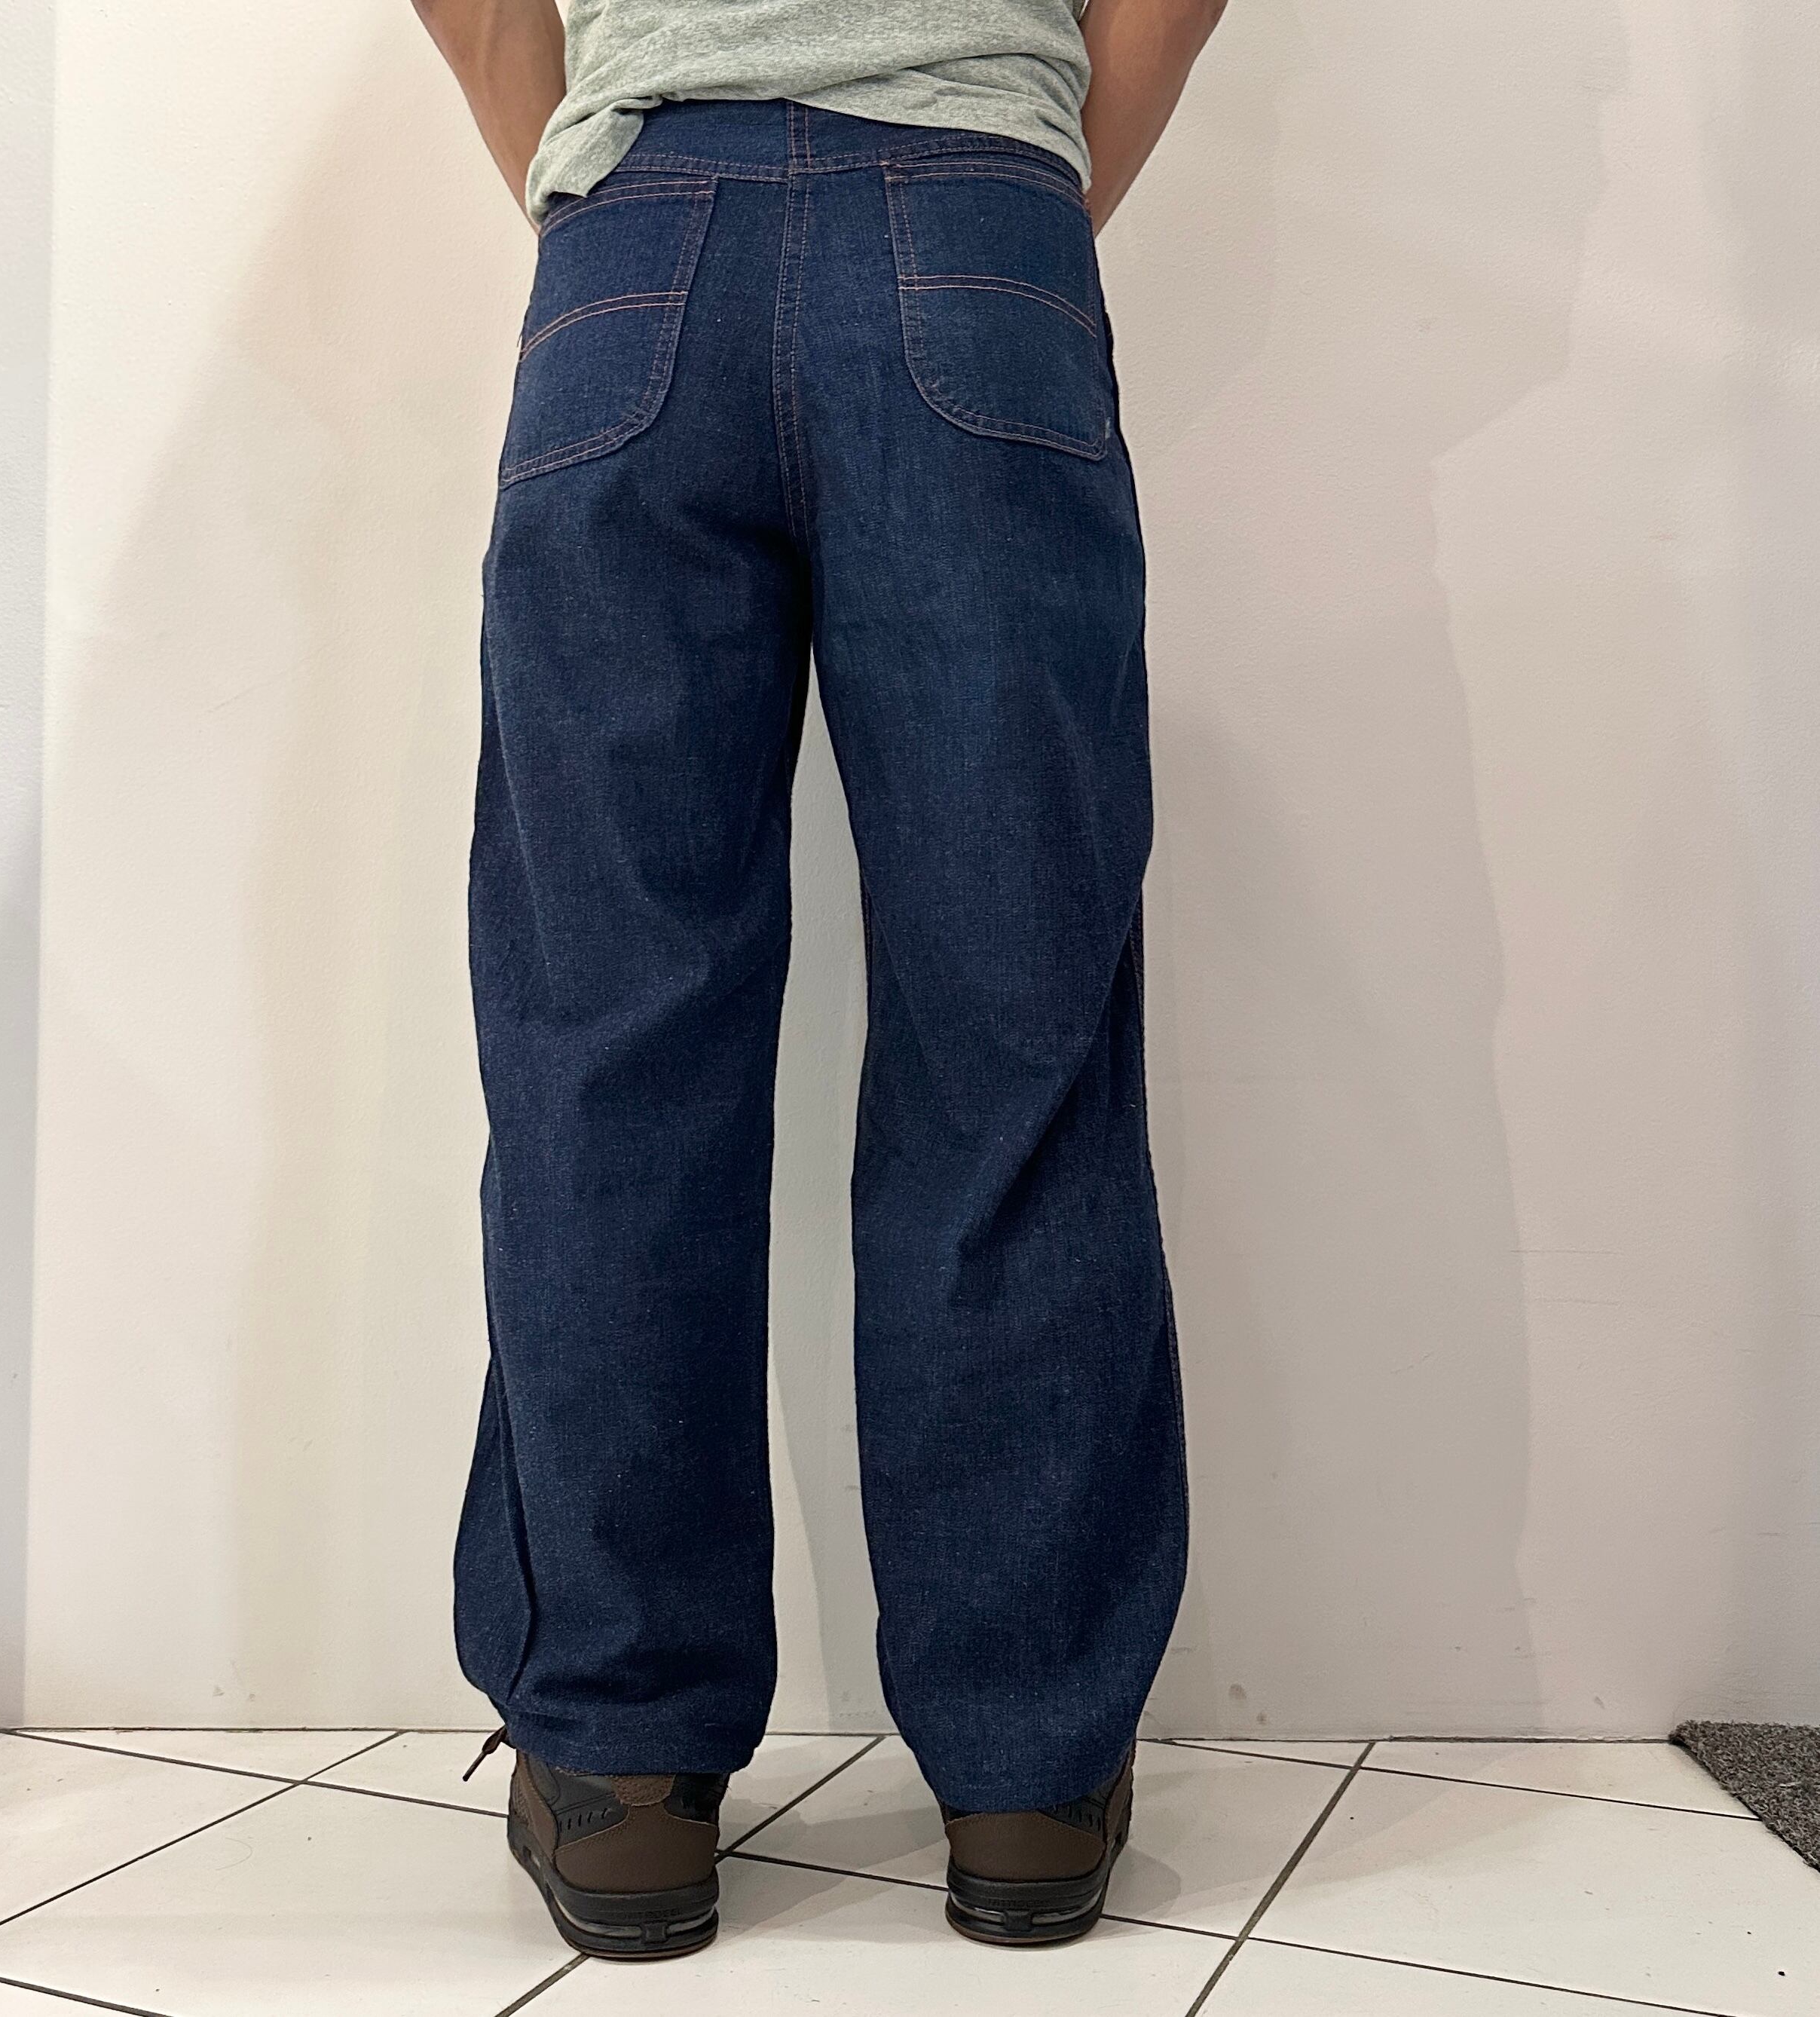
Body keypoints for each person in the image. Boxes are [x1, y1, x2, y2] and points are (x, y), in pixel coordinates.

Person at [412, 0, 1228, 1959]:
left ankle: (621, 1773)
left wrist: (595, 175)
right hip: (981, 231)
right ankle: (1026, 1772)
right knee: (1014, 1027)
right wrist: (1010, 184)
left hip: (637, 249)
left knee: (607, 1041)